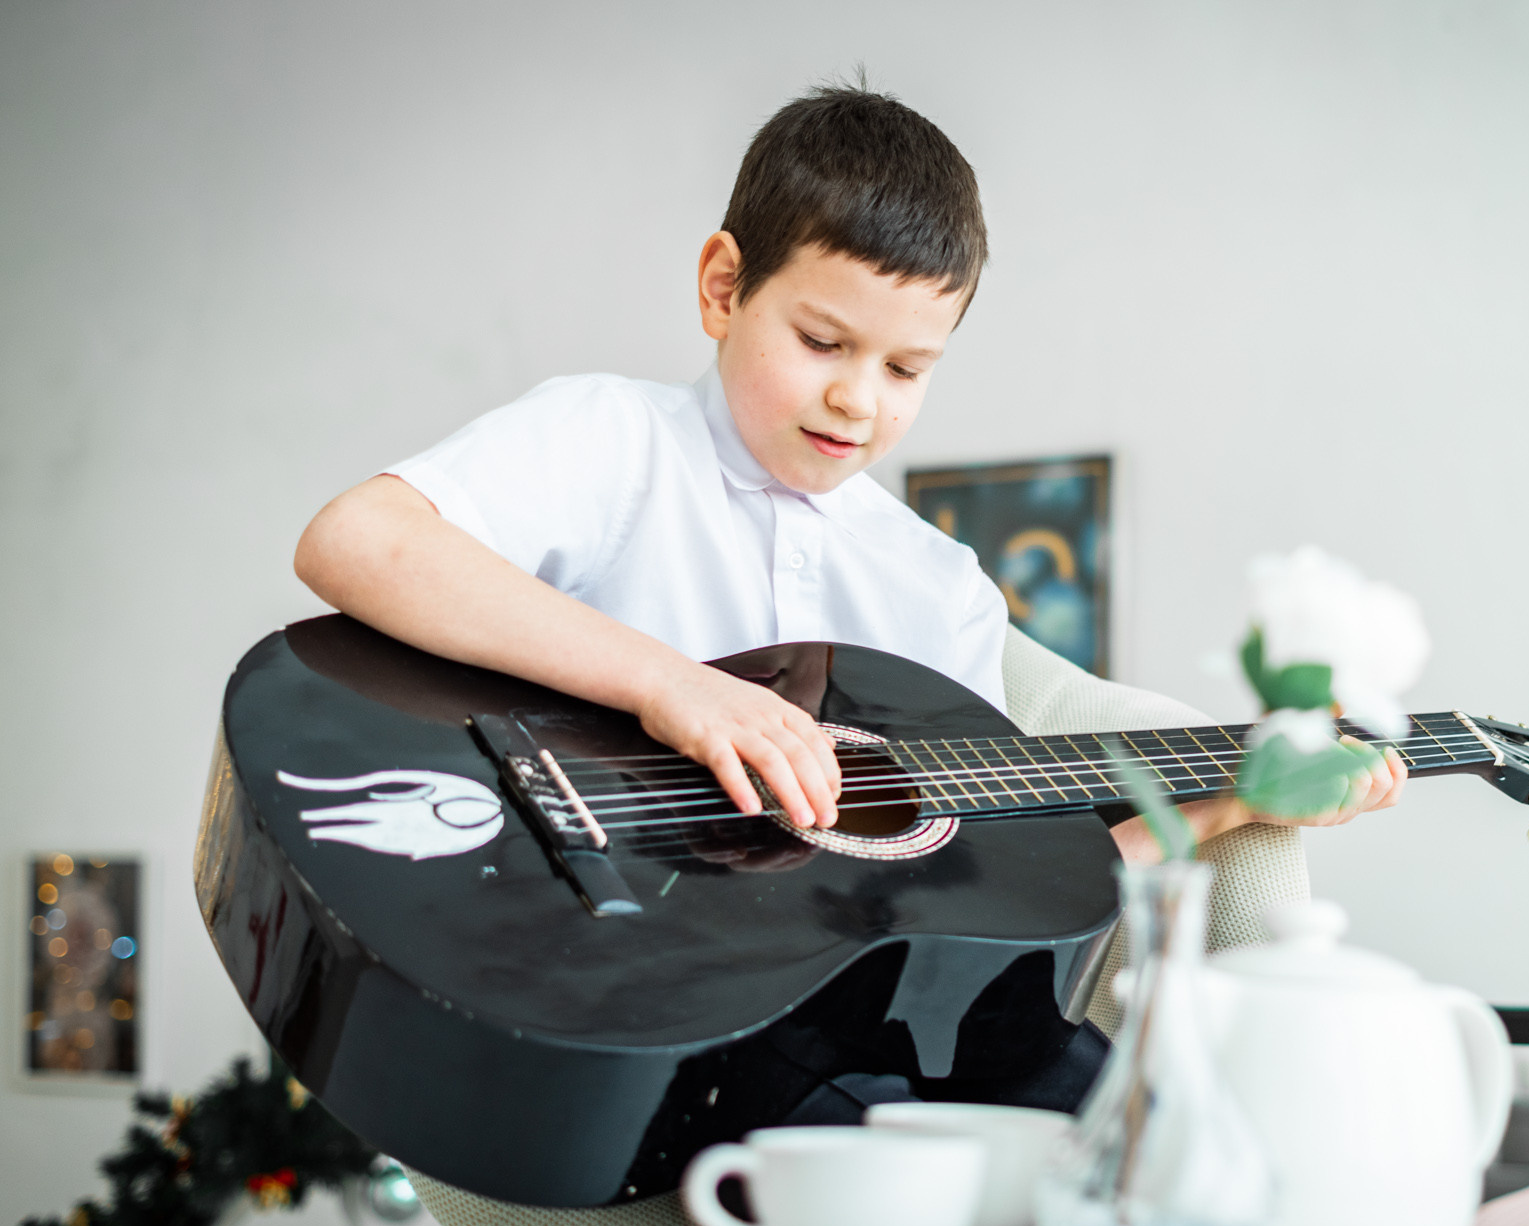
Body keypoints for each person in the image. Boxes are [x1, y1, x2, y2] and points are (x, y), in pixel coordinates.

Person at [295, 82, 1404, 860]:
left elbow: (989, 895)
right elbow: (358, 541)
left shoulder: (936, 586)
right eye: (822, 343)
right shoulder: (614, 440)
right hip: (586, 954)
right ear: (724, 289)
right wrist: (671, 683)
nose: (858, 399)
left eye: (908, 366)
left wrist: (1226, 811)